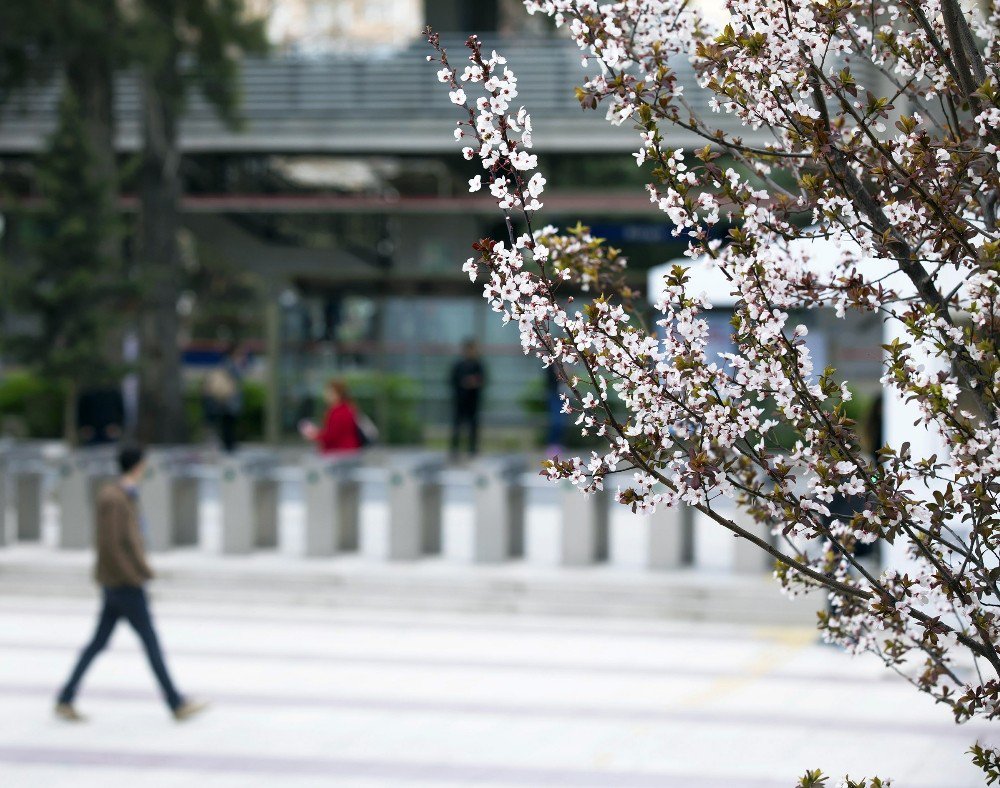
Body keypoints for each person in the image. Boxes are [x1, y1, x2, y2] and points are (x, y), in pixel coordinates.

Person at [55, 444, 206, 722]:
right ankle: (175, 703)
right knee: (150, 643)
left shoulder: (122, 495)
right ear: (137, 466)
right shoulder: (115, 498)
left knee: (98, 643)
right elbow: (113, 545)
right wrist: (135, 576)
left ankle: (65, 697)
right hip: (124, 585)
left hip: (117, 583)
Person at [299, 378, 362, 454]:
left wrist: (314, 435)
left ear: (337, 394)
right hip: (349, 449)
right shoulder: (349, 408)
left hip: (338, 452)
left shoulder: (336, 412)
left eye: (329, 392)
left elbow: (332, 435)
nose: (326, 395)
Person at [203, 344, 244, 453]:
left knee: (227, 425)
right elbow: (235, 381)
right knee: (228, 425)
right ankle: (228, 448)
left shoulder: (225, 364)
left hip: (226, 401)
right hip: (228, 401)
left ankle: (228, 447)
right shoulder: (230, 365)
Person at [450, 338, 486, 457]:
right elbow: (452, 380)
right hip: (460, 400)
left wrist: (474, 382)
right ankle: (455, 448)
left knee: (473, 425)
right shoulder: (458, 365)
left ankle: (472, 448)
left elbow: (483, 380)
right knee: (457, 425)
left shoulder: (478, 365)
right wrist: (463, 383)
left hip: (473, 400)